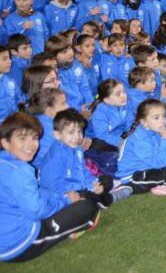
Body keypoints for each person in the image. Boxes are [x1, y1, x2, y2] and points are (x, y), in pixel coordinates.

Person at [0, 112, 100, 262]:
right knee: (87, 207)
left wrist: (61, 197)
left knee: (68, 200)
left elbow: (38, 192)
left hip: (7, 238)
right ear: (5, 143)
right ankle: (72, 228)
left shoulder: (6, 163)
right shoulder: (20, 171)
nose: (31, 144)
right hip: (22, 242)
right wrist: (66, 201)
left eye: (34, 138)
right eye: (22, 138)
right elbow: (37, 211)